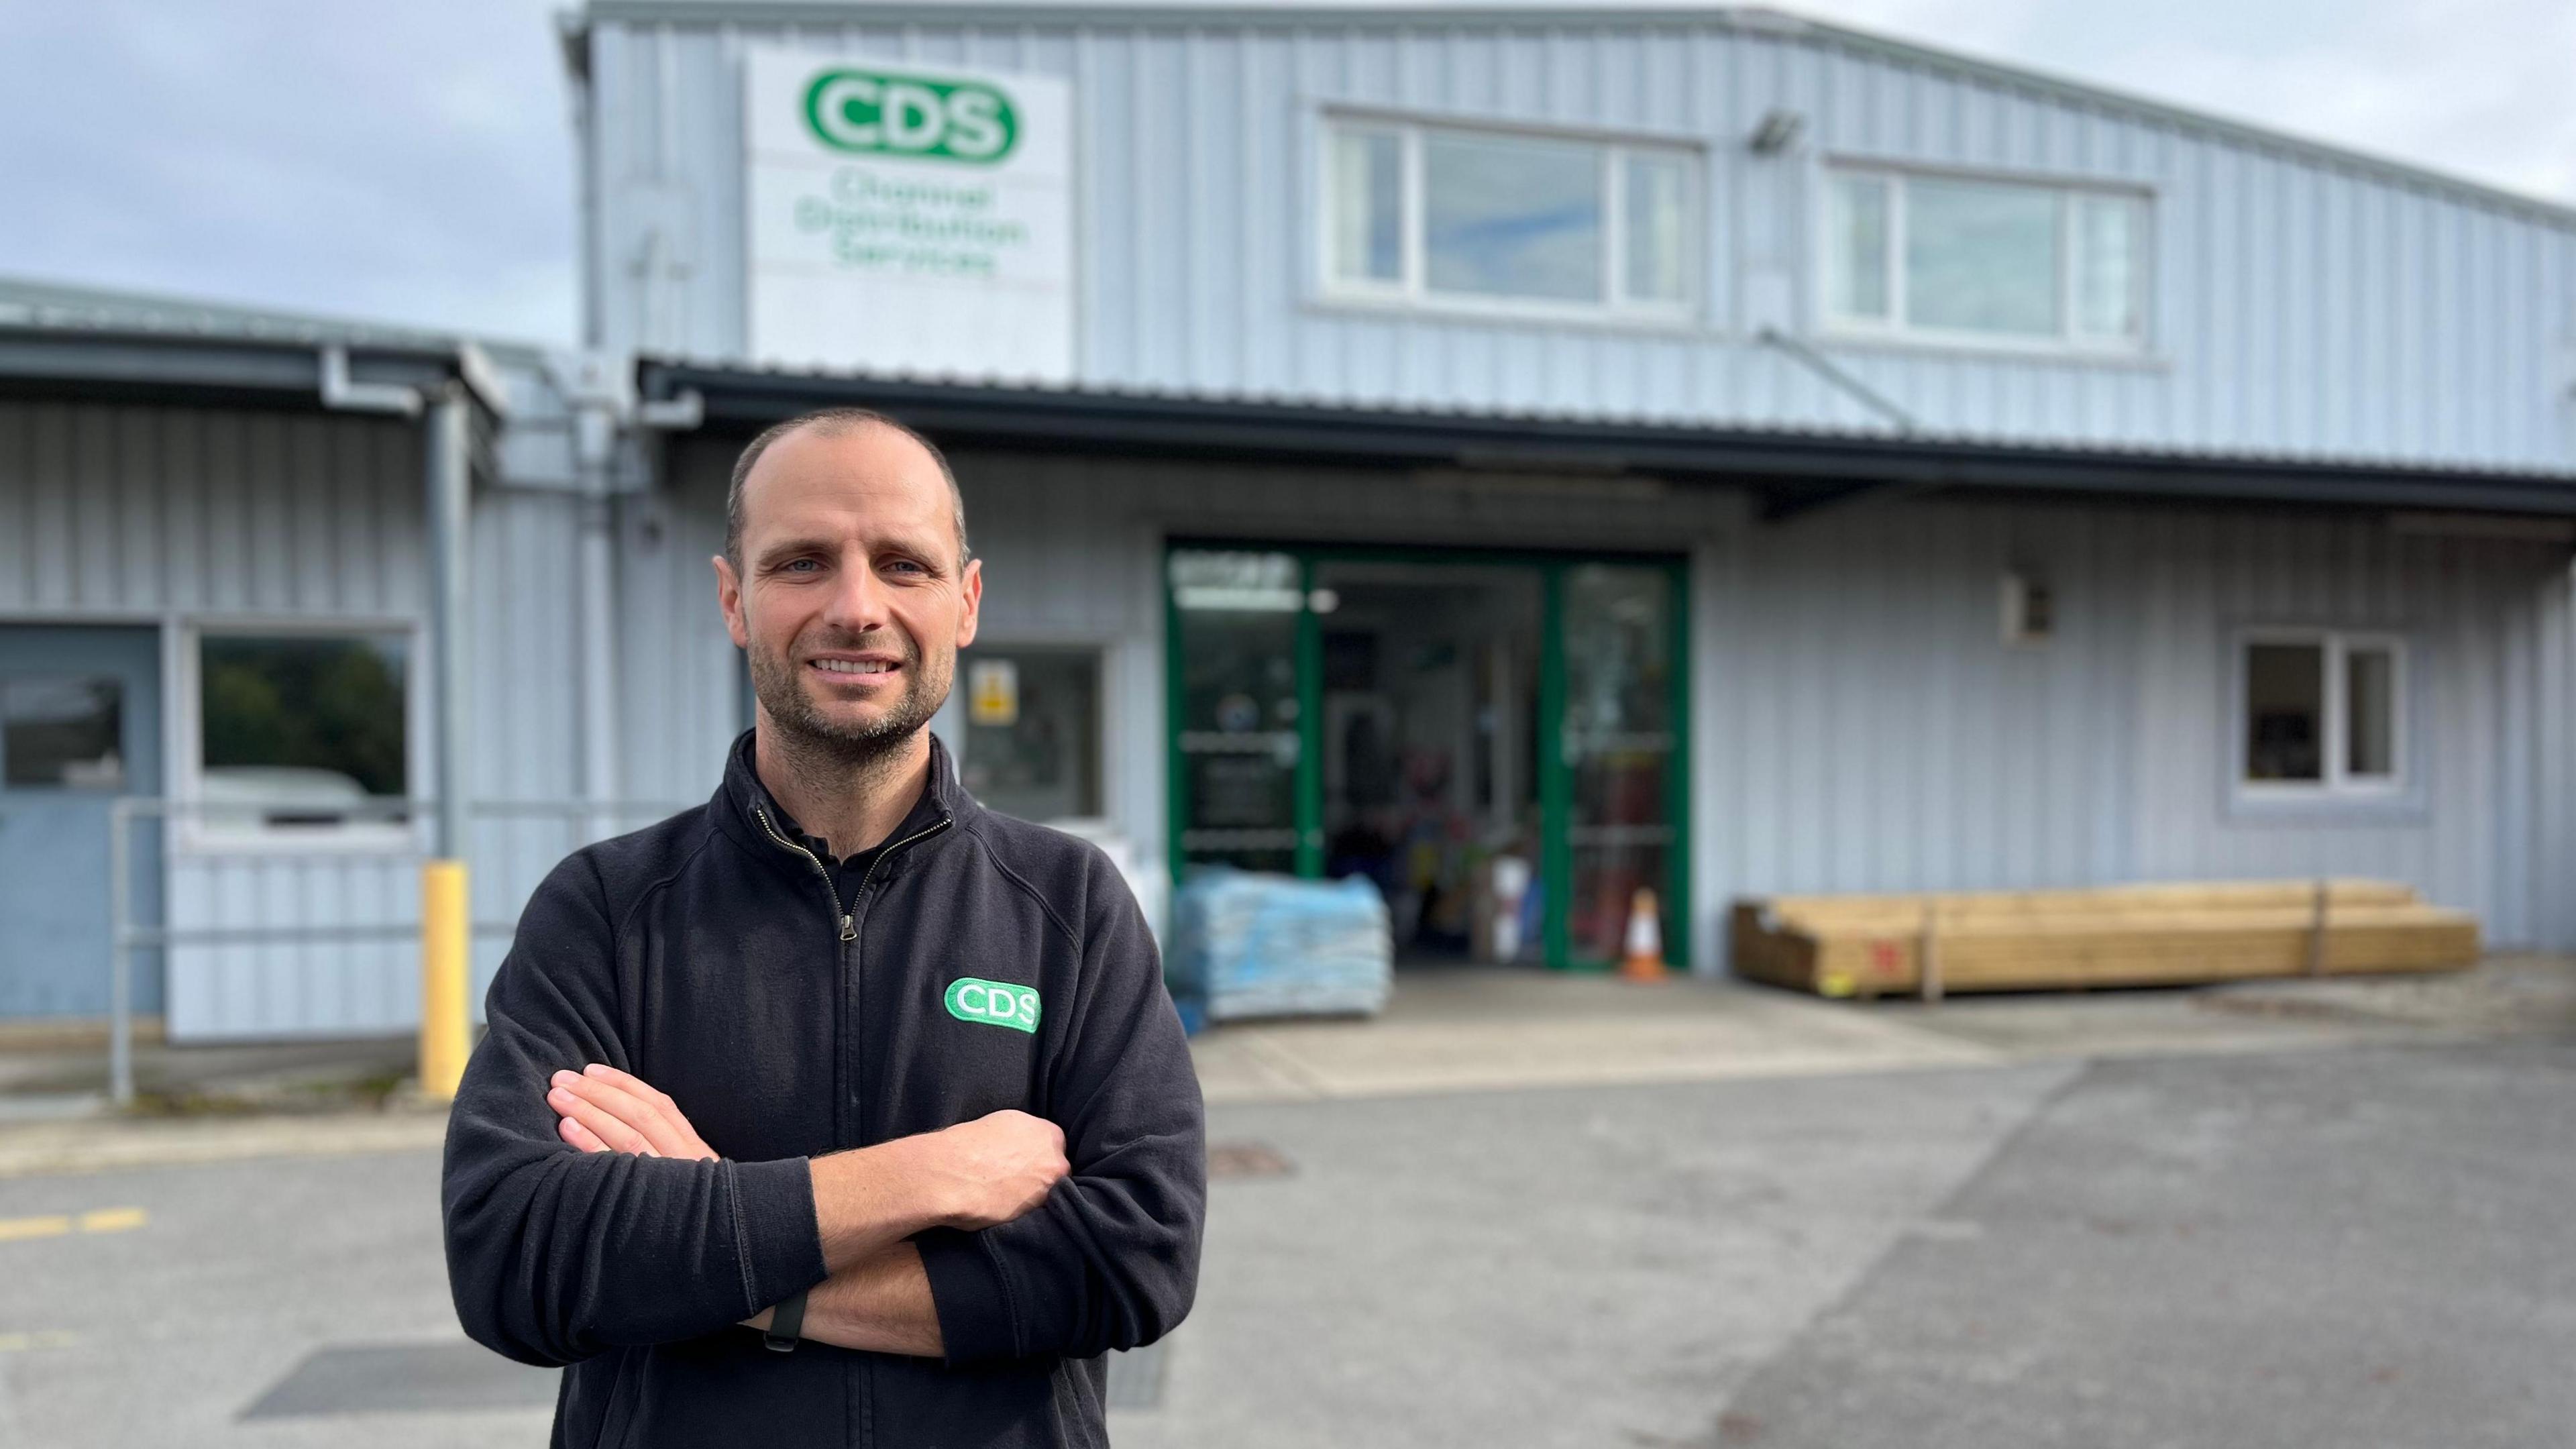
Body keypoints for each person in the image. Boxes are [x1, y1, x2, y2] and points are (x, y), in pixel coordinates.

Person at [441, 407, 1205, 1448]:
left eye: (904, 564)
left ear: (966, 602)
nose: (857, 608)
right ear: (733, 599)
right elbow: (516, 1257)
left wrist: (718, 1246)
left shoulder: (1069, 907)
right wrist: (926, 1178)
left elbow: (1136, 1259)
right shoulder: (609, 913)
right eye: (803, 562)